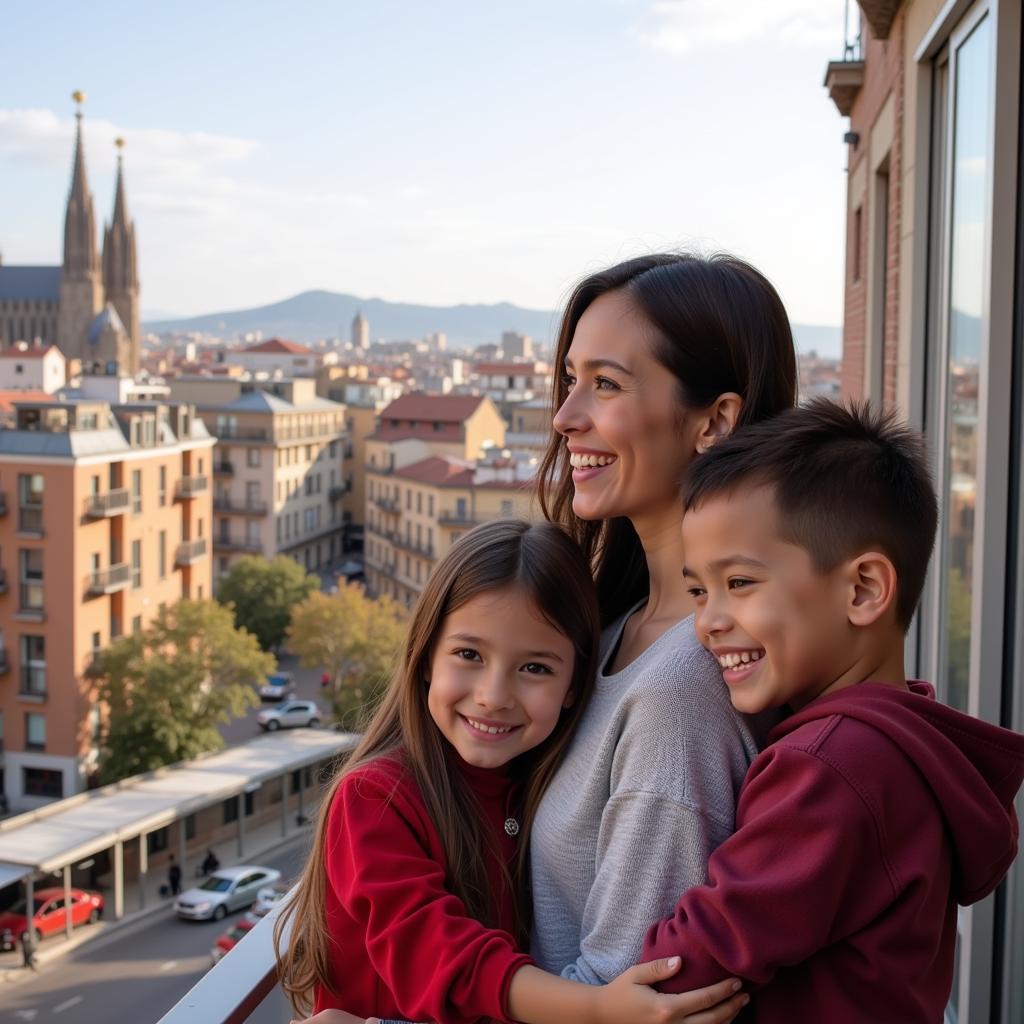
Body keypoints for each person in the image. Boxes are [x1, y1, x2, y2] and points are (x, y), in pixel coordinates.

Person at [639, 400, 1024, 1021]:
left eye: (739, 583)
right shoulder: (900, 742)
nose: (707, 622)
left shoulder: (831, 767)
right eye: (697, 590)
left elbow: (695, 962)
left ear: (863, 589)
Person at [276, 519, 749, 1024]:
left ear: (573, 687)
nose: (493, 696)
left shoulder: (532, 782)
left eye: (535, 668)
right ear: (426, 657)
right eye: (468, 655)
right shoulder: (374, 799)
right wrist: (598, 1009)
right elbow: (443, 959)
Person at [531, 251, 798, 983]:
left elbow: (627, 990)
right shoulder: (620, 629)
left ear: (715, 420)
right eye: (569, 382)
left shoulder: (685, 684)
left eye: (606, 385)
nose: (565, 418)